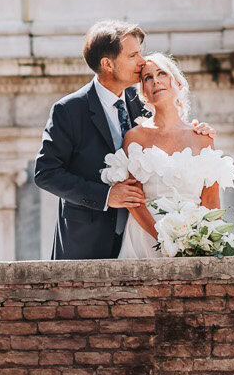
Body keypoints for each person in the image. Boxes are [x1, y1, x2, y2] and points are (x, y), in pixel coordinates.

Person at [34, 20, 152, 259]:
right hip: (85, 243)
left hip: (139, 238)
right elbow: (46, 173)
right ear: (107, 64)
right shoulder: (69, 110)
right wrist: (106, 197)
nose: (142, 62)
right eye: (133, 55)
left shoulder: (142, 102)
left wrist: (194, 132)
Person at [114, 53, 227, 260]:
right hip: (145, 238)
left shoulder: (202, 138)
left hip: (194, 240)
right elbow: (134, 199)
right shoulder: (134, 137)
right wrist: (164, 238)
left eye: (161, 73)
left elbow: (211, 200)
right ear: (144, 94)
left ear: (178, 84)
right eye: (147, 78)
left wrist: (206, 241)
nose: (155, 80)